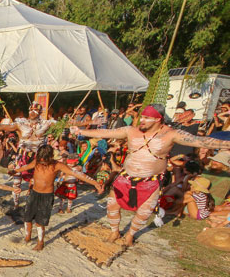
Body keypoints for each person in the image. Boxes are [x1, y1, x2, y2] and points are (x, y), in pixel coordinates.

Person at [70, 103, 230, 246]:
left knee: (144, 212)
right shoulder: (131, 131)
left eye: (147, 118)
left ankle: (130, 235)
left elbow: (200, 141)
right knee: (112, 205)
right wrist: (81, 130)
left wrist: (225, 143)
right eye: (142, 117)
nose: (142, 121)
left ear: (158, 119)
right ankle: (114, 231)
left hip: (150, 182)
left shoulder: (171, 134)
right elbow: (107, 132)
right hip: (125, 178)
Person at [11, 144, 102, 251]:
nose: (42, 163)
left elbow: (77, 174)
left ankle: (40, 242)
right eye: (41, 160)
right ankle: (27, 237)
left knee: (40, 221)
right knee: (27, 218)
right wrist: (15, 171)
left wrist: (94, 183)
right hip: (34, 193)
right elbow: (26, 167)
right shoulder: (37, 162)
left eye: (44, 161)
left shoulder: (57, 165)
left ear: (50, 157)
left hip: (46, 196)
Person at [0, 102, 56, 208]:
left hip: (37, 157)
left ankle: (30, 202)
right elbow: (3, 126)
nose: (32, 112)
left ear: (40, 112)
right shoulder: (21, 123)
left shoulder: (46, 123)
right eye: (30, 110)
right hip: (22, 156)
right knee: (17, 180)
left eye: (35, 110)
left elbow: (66, 124)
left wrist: (82, 124)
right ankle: (16, 204)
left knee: (35, 181)